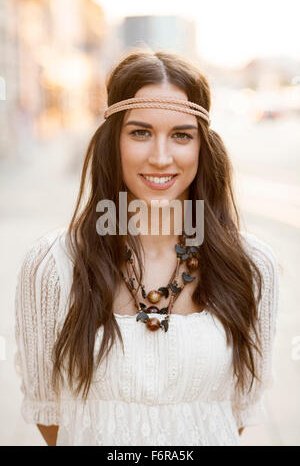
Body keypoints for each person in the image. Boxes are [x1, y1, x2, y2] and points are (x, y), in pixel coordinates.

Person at [14, 49, 280, 446]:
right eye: (140, 132)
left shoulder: (252, 265)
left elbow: (232, 413)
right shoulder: (53, 265)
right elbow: (49, 412)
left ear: (202, 146)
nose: (160, 157)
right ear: (113, 142)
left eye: (181, 135)